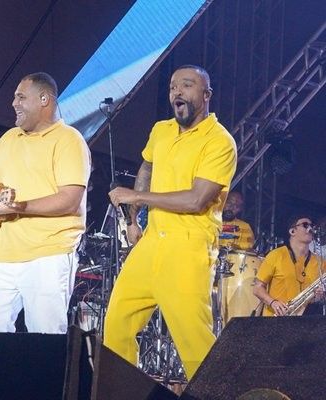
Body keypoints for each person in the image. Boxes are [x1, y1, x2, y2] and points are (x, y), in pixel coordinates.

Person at [104, 65, 237, 379]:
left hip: (188, 247)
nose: (177, 91)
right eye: (172, 87)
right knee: (116, 326)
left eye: (186, 85)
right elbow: (147, 168)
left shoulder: (220, 141)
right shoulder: (161, 130)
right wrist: (133, 220)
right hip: (151, 242)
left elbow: (196, 200)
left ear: (206, 94)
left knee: (194, 343)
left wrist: (137, 197)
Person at [0, 72, 91, 334]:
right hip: (1, 254)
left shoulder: (69, 139)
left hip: (50, 252)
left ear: (44, 99)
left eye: (21, 97)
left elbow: (69, 200)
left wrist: (19, 207)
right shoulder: (9, 138)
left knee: (44, 338)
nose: (14, 103)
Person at [253, 214, 324, 316]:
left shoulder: (320, 261)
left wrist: (320, 296)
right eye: (305, 225)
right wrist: (273, 303)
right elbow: (257, 288)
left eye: (311, 225)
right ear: (292, 231)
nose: (310, 228)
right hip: (275, 318)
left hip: (305, 320)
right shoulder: (275, 255)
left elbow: (322, 296)